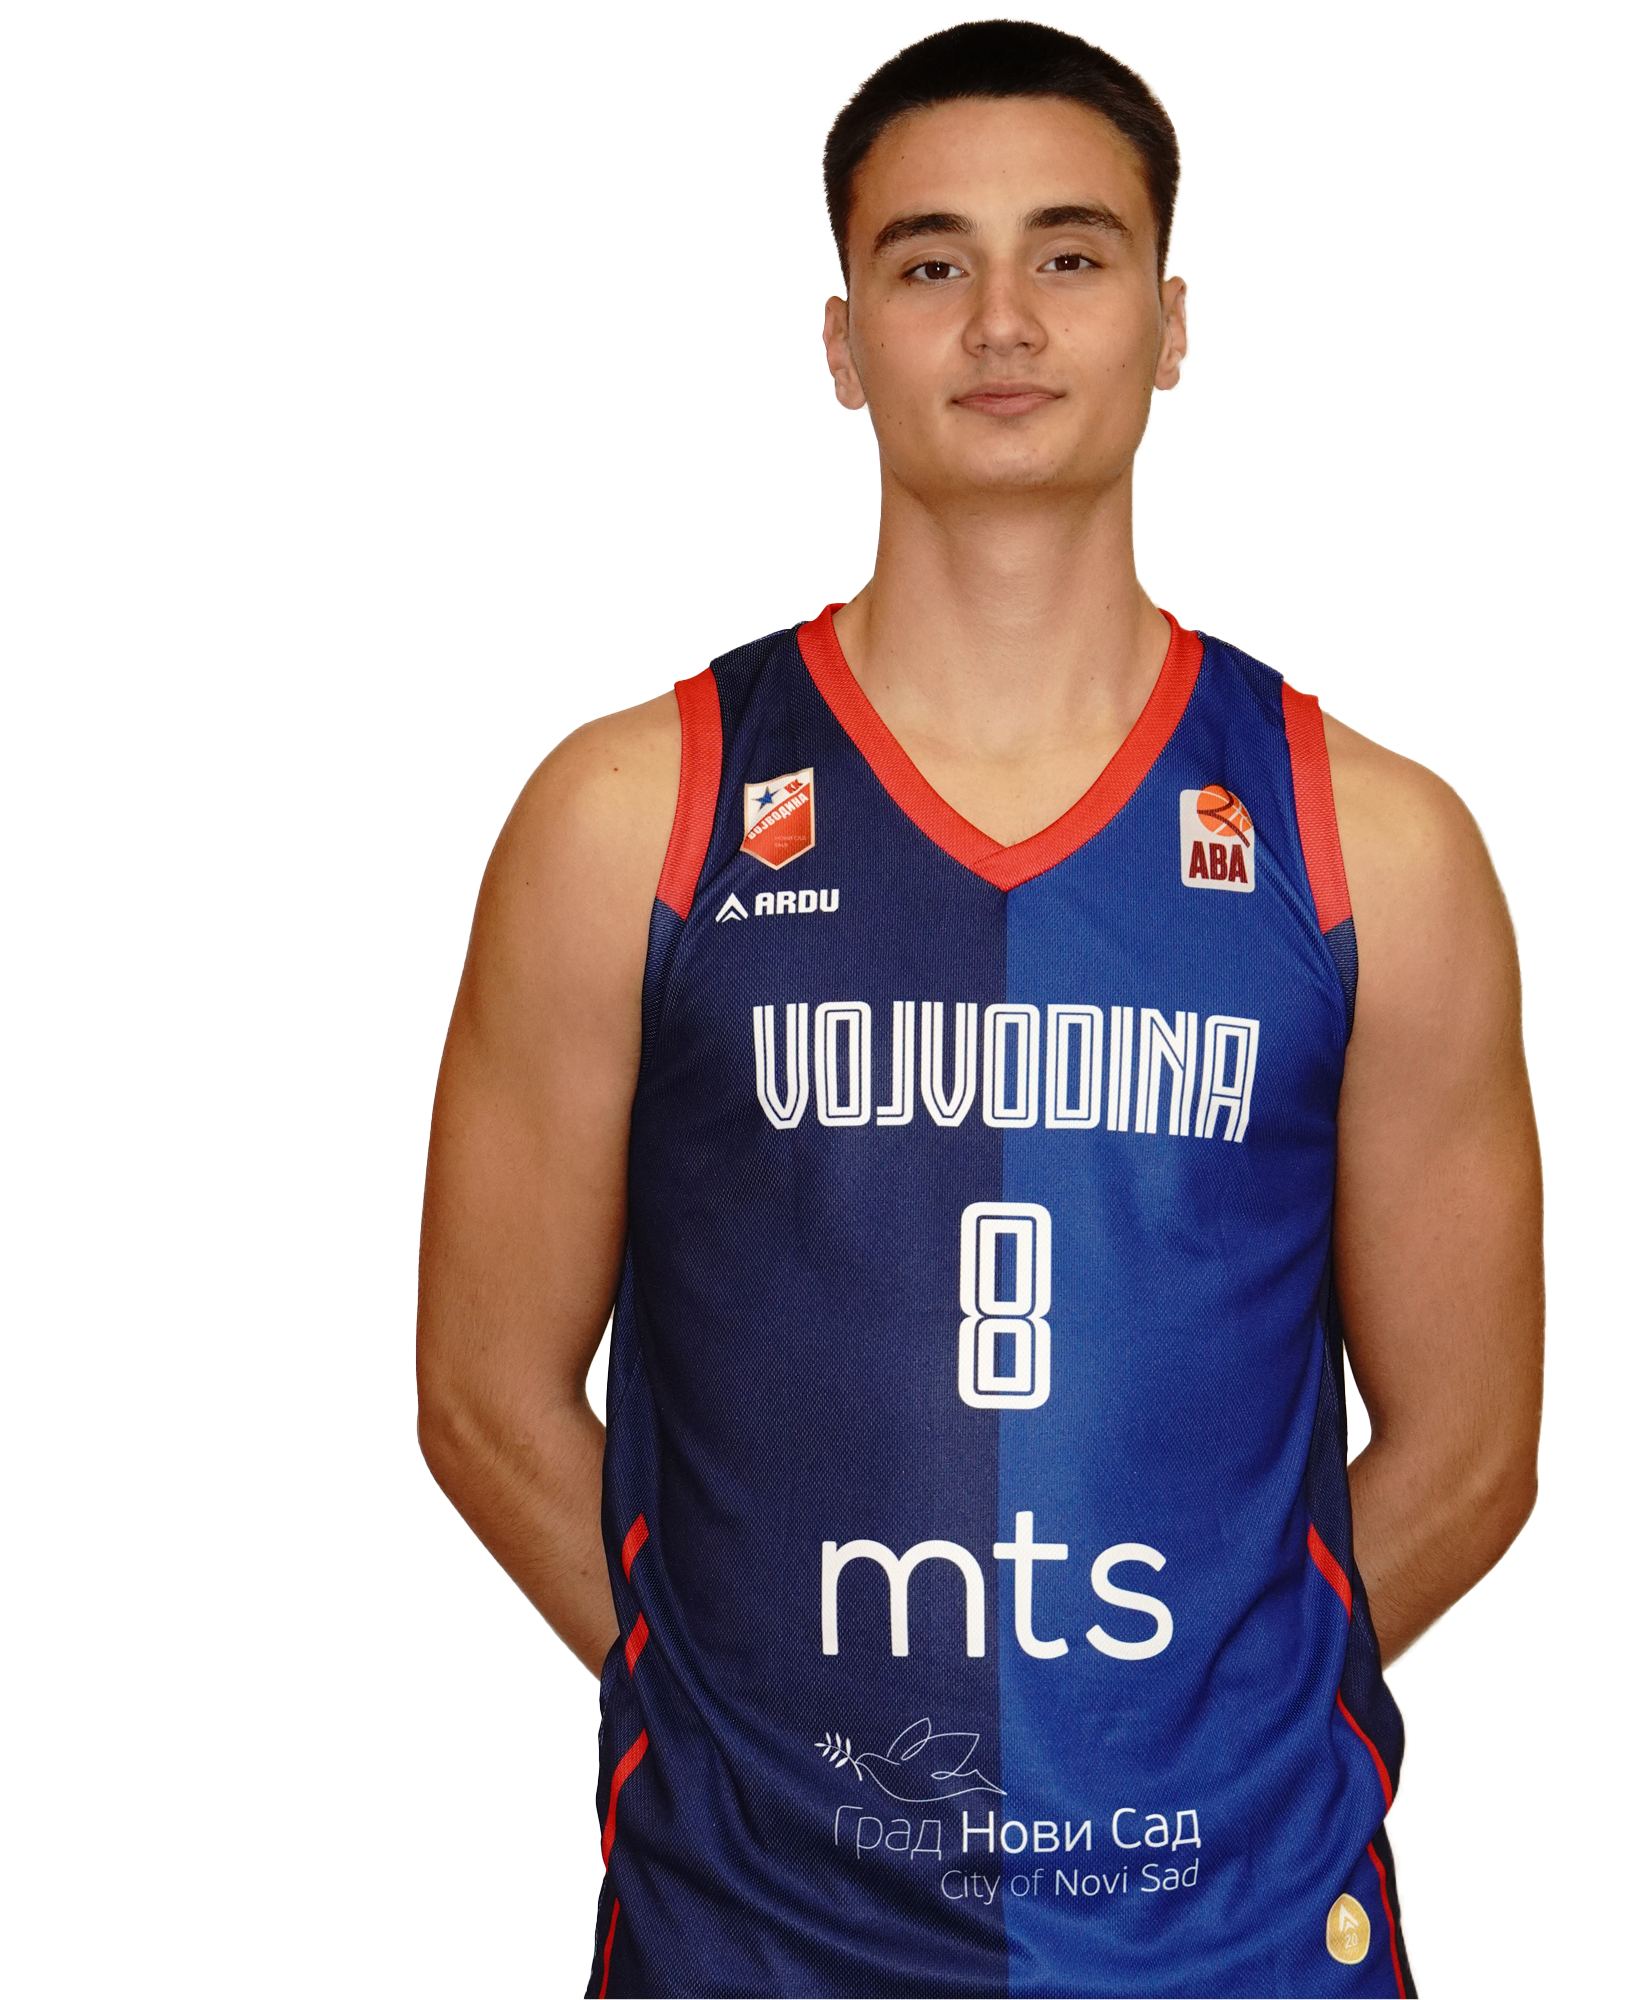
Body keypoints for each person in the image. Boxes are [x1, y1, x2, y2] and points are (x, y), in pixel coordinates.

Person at [416, 18, 1543, 1996]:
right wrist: (744, 1712)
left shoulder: (1373, 843)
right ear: (843, 341)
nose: (1003, 319)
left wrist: (1181, 1726)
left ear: (1171, 326)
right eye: (931, 260)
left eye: (1071, 254)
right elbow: (478, 1391)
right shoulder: (632, 818)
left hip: (1234, 1939)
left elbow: (1469, 1447)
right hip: (757, 1936)